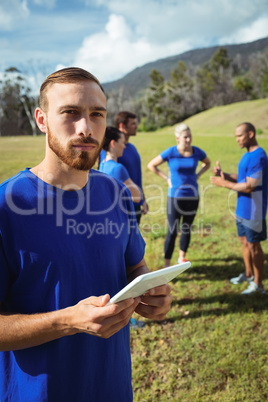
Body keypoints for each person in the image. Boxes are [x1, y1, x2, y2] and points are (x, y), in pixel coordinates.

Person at [0, 67, 172, 402]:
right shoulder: (7, 208)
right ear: (41, 119)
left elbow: (133, 266)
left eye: (96, 115)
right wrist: (68, 321)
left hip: (113, 387)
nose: (86, 128)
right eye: (70, 113)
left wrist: (151, 289)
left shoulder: (113, 191)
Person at [210, 122, 267, 295]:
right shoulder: (247, 155)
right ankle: (249, 274)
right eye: (236, 136)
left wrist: (223, 183)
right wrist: (225, 175)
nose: (237, 140)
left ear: (251, 134)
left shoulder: (259, 156)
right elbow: (242, 177)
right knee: (244, 242)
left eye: (239, 136)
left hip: (253, 210)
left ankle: (258, 284)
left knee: (254, 246)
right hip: (242, 208)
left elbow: (250, 185)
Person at [148, 123, 211, 267]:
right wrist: (167, 179)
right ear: (178, 138)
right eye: (185, 137)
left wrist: (198, 175)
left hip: (192, 196)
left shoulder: (197, 152)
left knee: (187, 228)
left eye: (190, 136)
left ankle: (182, 257)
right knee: (172, 230)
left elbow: (207, 163)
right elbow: (151, 165)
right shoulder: (171, 152)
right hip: (174, 197)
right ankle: (167, 264)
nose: (188, 140)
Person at [100, 111, 148, 225]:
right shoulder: (109, 154)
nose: (136, 126)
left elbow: (137, 176)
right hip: (124, 208)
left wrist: (143, 199)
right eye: (133, 124)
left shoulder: (132, 148)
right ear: (122, 126)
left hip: (136, 203)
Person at [98, 126, 141, 203]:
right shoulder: (118, 168)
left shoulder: (102, 164)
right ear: (113, 143)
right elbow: (137, 197)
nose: (124, 146)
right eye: (122, 142)